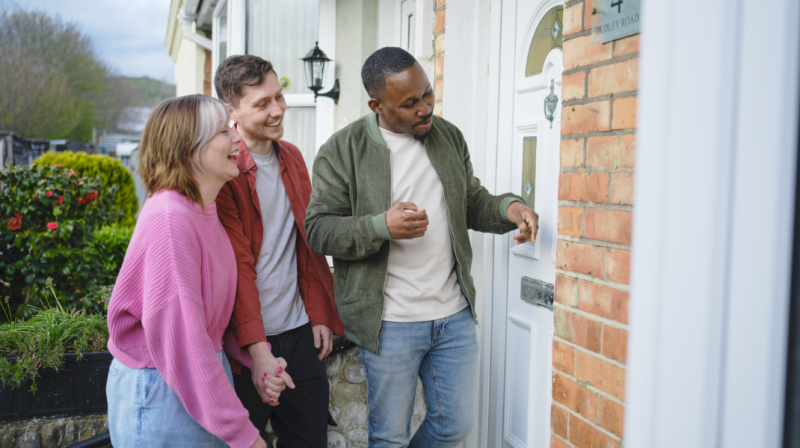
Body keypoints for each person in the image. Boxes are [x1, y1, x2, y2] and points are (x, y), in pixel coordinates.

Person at [304, 47, 540, 448]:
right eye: (410, 103)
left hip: (453, 317)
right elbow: (318, 231)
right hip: (390, 323)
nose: (425, 108)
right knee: (389, 438)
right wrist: (382, 226)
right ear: (376, 105)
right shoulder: (342, 151)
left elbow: (472, 202)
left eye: (427, 94)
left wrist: (509, 207)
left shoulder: (447, 136)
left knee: (455, 428)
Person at [106, 95, 294, 448]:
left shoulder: (202, 211)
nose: (237, 137)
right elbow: (183, 341)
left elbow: (207, 321)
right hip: (161, 389)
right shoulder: (170, 219)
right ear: (190, 150)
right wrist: (247, 438)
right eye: (224, 131)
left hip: (191, 380)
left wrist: (252, 358)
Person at [213, 55, 344, 447]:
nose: (277, 110)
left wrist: (318, 312)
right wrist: (258, 349)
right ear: (231, 110)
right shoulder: (225, 170)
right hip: (246, 343)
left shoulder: (291, 156)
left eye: (279, 97)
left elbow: (305, 243)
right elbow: (238, 264)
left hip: (299, 332)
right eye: (262, 104)